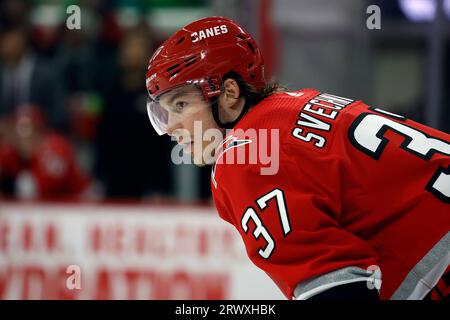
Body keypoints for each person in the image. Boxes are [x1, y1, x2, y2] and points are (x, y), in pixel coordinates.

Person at [144, 16, 449, 300]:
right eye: (164, 111)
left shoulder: (246, 155)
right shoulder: (296, 105)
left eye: (181, 104)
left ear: (229, 93)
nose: (170, 126)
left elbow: (339, 290)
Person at [0, 106, 92, 201]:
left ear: (40, 132)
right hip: (50, 204)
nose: (23, 138)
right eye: (19, 130)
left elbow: (43, 190)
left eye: (30, 130)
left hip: (81, 198)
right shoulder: (10, 149)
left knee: (26, 184)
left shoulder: (56, 148)